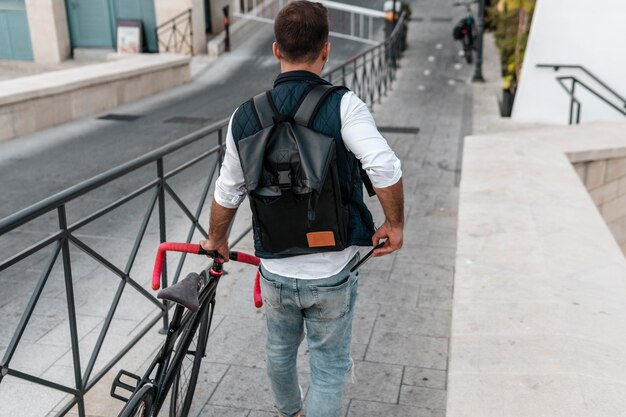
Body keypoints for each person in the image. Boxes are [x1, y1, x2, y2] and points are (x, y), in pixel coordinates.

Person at [200, 2, 404, 416]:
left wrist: (216, 240)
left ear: (276, 49)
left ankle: (288, 411)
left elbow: (227, 192)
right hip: (332, 268)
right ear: (325, 50)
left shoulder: (245, 115)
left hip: (275, 266)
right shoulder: (344, 106)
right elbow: (384, 166)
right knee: (328, 367)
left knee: (279, 352)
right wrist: (394, 224)